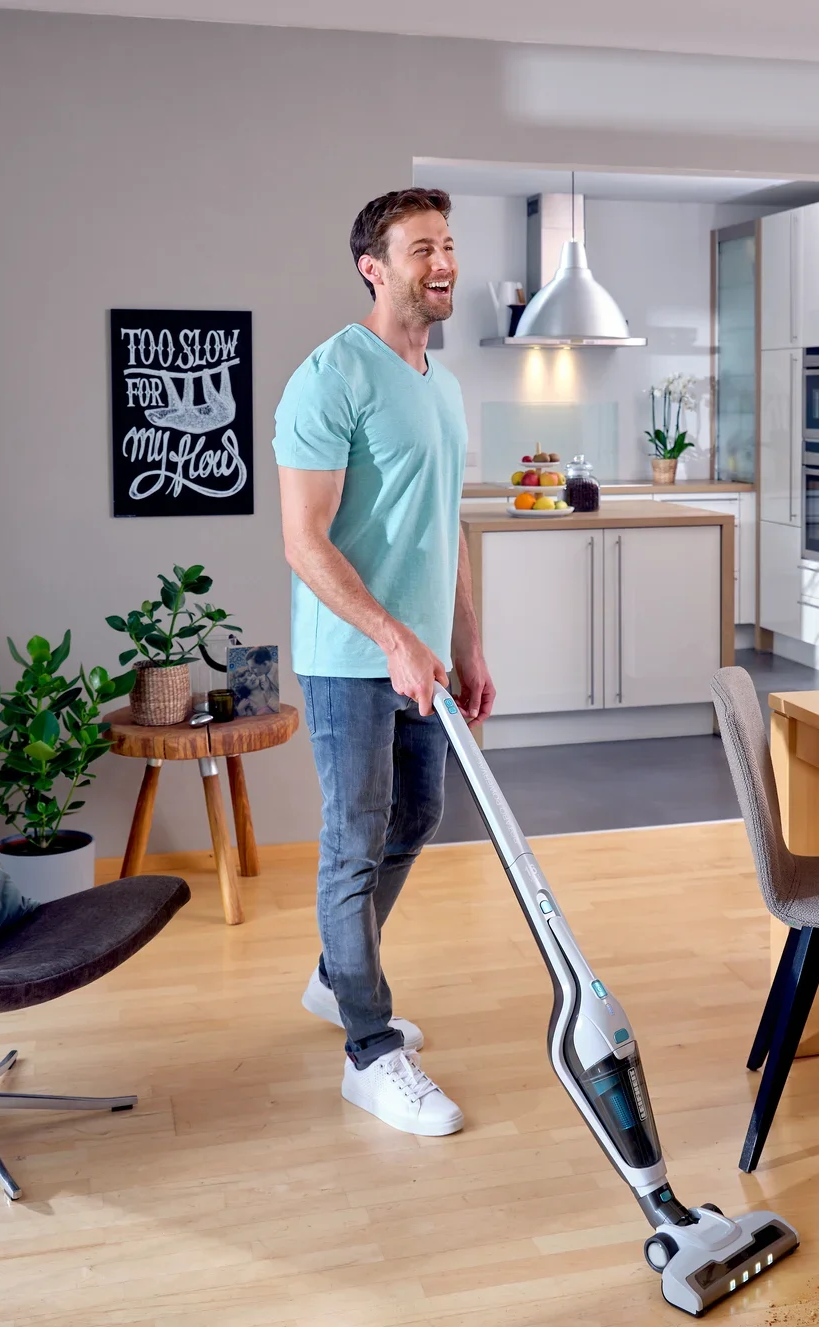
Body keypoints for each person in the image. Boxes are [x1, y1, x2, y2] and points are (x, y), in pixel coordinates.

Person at [274, 187, 494, 1137]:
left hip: (424, 660)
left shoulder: (441, 385)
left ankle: (338, 978)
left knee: (420, 815)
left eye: (447, 245)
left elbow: (443, 530)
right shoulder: (330, 377)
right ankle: (370, 1053)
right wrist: (393, 637)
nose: (441, 264)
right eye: (420, 249)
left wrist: (467, 642)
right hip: (350, 659)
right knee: (355, 838)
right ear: (375, 266)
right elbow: (304, 540)